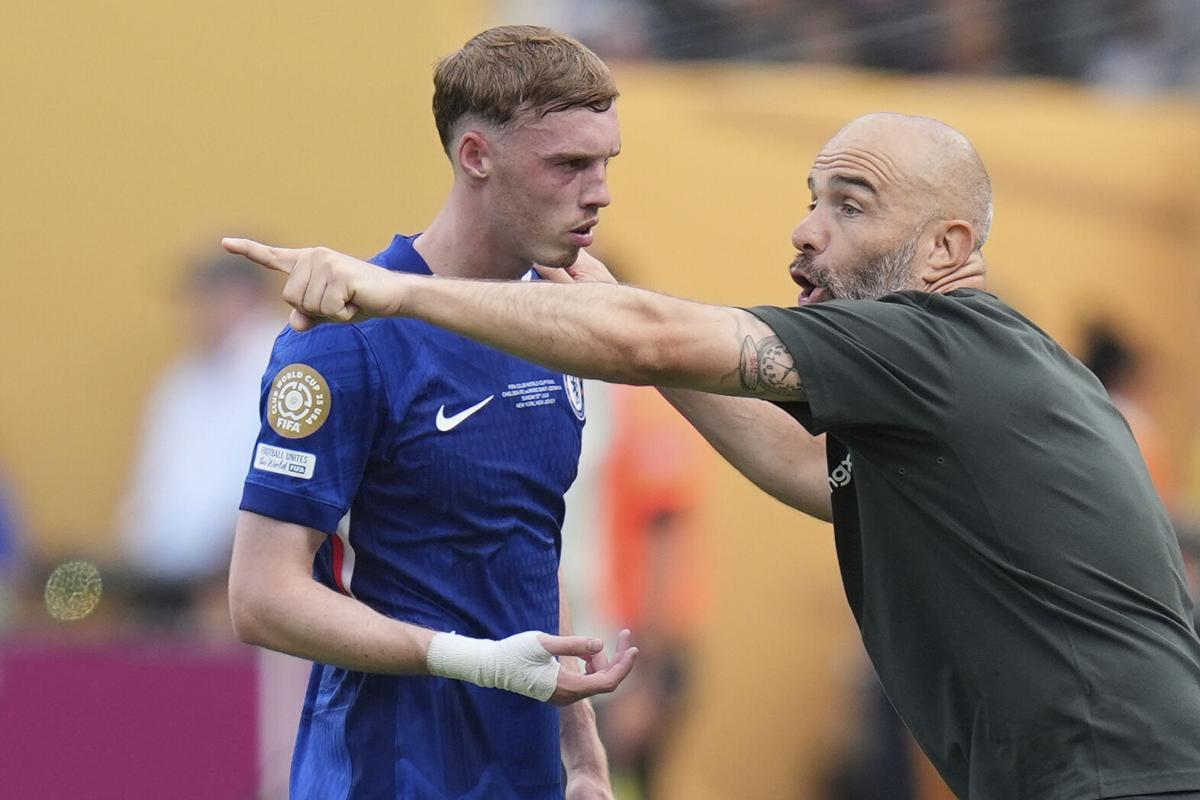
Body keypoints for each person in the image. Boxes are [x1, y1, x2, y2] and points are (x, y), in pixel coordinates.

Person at [225, 111, 1200, 800]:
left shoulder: (925, 341)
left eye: (852, 205)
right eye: (811, 199)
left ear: (947, 247)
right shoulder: (959, 383)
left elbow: (651, 338)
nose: (806, 229)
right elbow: (805, 469)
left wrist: (392, 291)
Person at [225, 26, 636, 800]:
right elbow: (260, 597)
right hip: (384, 770)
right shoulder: (345, 339)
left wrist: (582, 757)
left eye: (607, 161)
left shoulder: (559, 319)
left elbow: (527, 539)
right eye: (569, 164)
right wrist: (467, 657)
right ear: (476, 156)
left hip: (523, 774)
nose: (601, 190)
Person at [117, 250, 282, 630]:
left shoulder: (280, 367)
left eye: (209, 297)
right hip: (162, 579)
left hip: (238, 576)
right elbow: (154, 482)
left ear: (245, 295)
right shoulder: (182, 380)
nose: (196, 312)